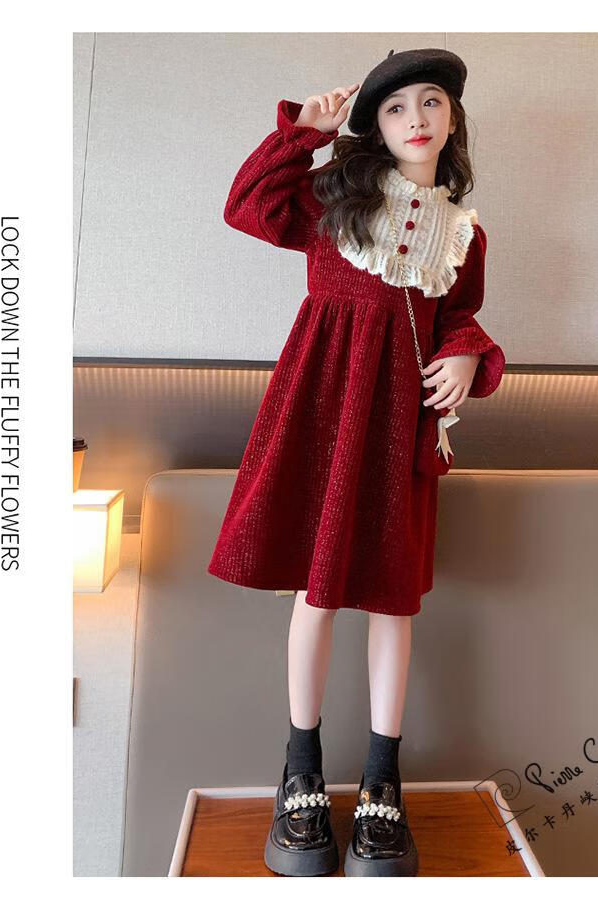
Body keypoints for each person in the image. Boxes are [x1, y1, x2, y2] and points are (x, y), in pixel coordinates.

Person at [207, 48, 506, 876]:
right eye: (396, 107)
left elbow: (459, 314)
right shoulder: (334, 199)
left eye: (432, 101)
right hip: (324, 408)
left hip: (398, 425)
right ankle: (300, 767)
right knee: (316, 592)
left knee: (391, 600)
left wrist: (468, 351)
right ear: (374, 126)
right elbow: (248, 206)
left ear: (452, 116)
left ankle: (382, 777)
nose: (417, 118)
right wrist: (302, 133)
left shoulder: (463, 233)